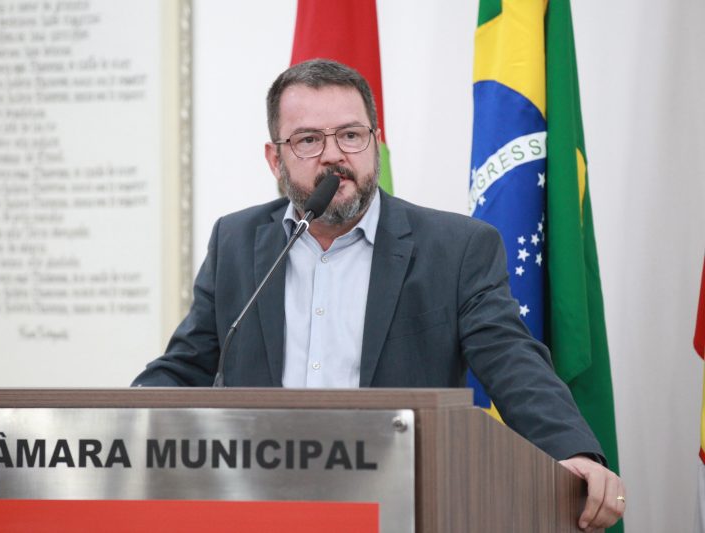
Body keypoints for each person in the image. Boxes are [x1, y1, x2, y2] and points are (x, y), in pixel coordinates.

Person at [133, 59, 625, 530]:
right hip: (261, 507)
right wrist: (113, 426)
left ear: (375, 143)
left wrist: (572, 450)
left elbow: (512, 359)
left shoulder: (454, 249)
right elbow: (186, 366)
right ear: (274, 158)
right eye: (308, 139)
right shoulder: (237, 242)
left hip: (399, 506)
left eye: (350, 135)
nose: (333, 155)